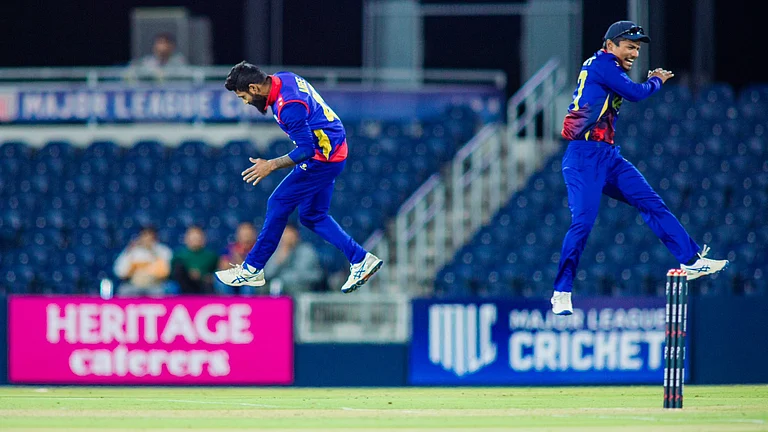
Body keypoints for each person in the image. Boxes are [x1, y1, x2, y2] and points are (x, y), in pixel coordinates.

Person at [552, 21, 729, 315]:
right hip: (583, 157)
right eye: (629, 46)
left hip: (607, 157)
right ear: (610, 45)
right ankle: (561, 291)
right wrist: (657, 79)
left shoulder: (606, 66)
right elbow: (636, 93)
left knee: (650, 202)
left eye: (637, 48)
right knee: (582, 223)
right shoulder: (604, 64)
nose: (634, 53)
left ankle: (691, 260)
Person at [215, 62, 383, 293]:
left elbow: (306, 151)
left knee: (278, 202)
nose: (245, 102)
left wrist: (271, 165)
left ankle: (252, 268)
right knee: (312, 216)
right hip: (334, 149)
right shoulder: (284, 78)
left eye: (243, 96)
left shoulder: (288, 107)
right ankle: (360, 259)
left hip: (323, 158)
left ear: (254, 88)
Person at [263, 223, 323, 295]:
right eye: (284, 233)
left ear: (297, 235)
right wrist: (279, 260)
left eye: (290, 233)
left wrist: (283, 278)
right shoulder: (273, 251)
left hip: (302, 293)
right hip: (279, 293)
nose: (287, 237)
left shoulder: (307, 251)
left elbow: (311, 276)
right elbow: (267, 275)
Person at [113, 225, 173, 297]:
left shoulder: (163, 250)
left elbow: (166, 272)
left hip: (155, 285)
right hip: (134, 285)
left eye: (150, 235)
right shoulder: (132, 251)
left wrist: (152, 253)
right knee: (124, 290)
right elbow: (120, 272)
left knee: (161, 291)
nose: (147, 238)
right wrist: (134, 267)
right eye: (145, 235)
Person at [170, 226, 219, 294]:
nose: (195, 239)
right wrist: (189, 273)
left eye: (198, 237)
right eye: (193, 237)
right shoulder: (178, 254)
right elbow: (172, 274)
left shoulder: (211, 256)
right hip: (184, 282)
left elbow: (216, 272)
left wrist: (202, 276)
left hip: (203, 283)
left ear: (203, 239)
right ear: (186, 238)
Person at [215, 222, 258, 295]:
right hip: (233, 277)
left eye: (248, 233)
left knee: (249, 285)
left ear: (254, 234)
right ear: (238, 234)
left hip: (249, 279)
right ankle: (227, 303)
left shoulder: (258, 250)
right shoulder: (230, 248)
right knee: (220, 280)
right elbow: (223, 266)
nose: (246, 235)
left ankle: (248, 304)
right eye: (243, 233)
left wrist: (238, 261)